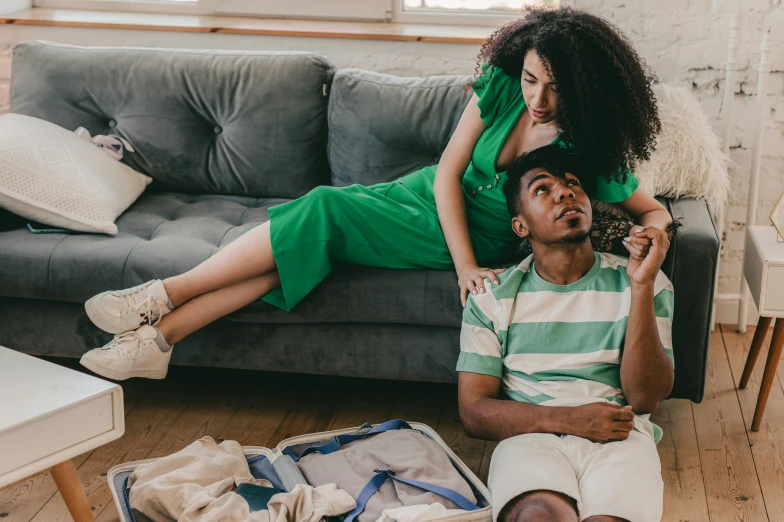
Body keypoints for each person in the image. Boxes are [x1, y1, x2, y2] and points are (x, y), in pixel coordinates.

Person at [78, 6, 671, 381]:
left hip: (477, 233)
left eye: (555, 88)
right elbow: (447, 173)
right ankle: (158, 340)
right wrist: (467, 269)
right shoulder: (499, 85)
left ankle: (159, 295)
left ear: (585, 89)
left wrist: (655, 233)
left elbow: (650, 209)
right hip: (426, 197)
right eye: (532, 79)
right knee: (302, 247)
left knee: (322, 208)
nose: (538, 98)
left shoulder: (591, 147)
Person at [457, 145, 674, 522]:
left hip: (621, 434)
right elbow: (474, 412)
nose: (565, 192)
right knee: (538, 516)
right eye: (542, 189)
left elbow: (645, 398)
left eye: (573, 184)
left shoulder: (647, 282)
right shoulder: (490, 298)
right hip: (528, 436)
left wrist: (640, 286)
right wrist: (571, 420)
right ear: (520, 226)